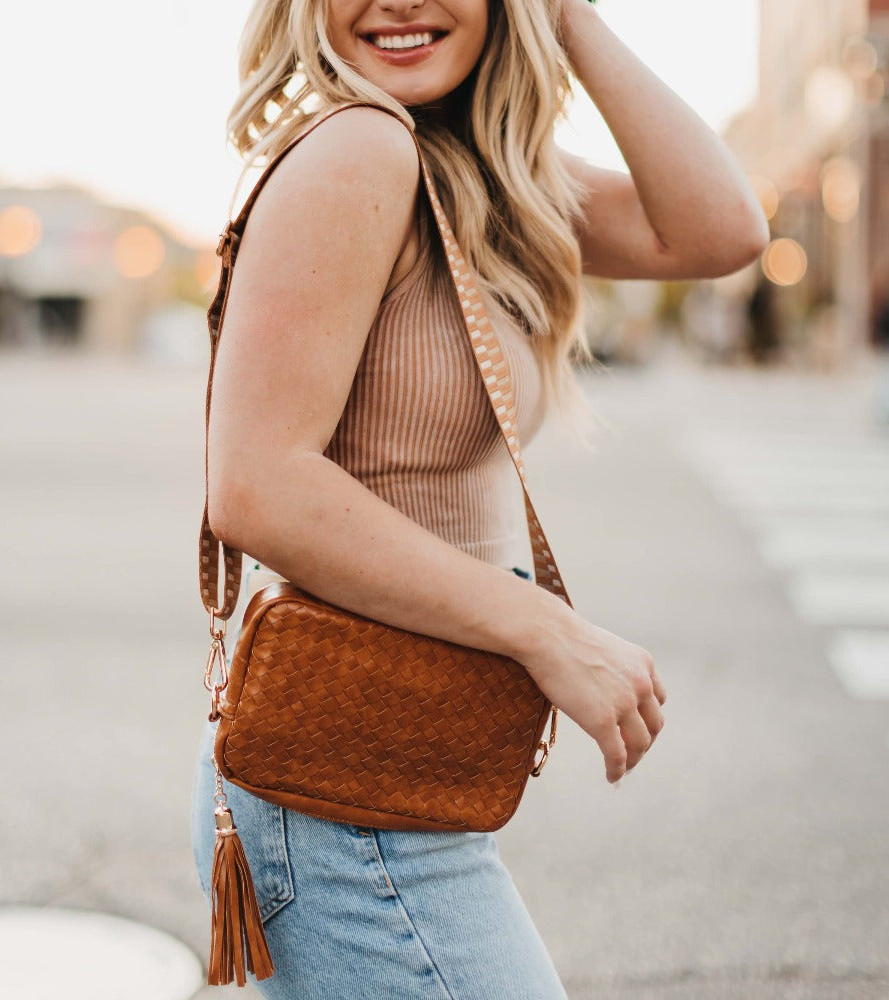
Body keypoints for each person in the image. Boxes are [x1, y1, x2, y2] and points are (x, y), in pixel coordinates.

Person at [191, 1, 769, 996]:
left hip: (382, 774)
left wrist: (567, 18)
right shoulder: (360, 154)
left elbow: (720, 229)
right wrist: (547, 631)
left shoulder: (469, 174)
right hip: (348, 799)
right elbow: (257, 484)